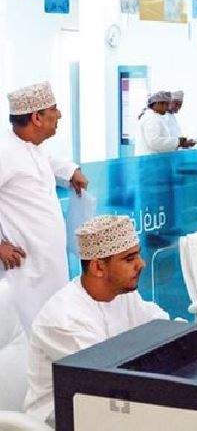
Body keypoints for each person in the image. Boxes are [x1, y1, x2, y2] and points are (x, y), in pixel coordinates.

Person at [24, 215, 169, 426]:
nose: (141, 264)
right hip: (64, 419)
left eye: (138, 255)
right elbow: (104, 380)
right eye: (129, 259)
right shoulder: (65, 320)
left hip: (112, 408)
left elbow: (162, 328)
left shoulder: (122, 293)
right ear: (98, 268)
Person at [1, 81, 89, 332]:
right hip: (24, 264)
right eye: (54, 109)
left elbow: (47, 160)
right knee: (27, 330)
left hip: (49, 259)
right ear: (36, 118)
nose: (59, 115)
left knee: (53, 322)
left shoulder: (32, 146)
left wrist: (71, 171)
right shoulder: (4, 151)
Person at [136, 91, 195, 156]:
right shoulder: (151, 118)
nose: (167, 108)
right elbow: (154, 142)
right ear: (158, 103)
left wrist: (180, 143)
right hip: (151, 159)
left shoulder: (157, 117)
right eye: (167, 104)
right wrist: (178, 142)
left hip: (157, 158)